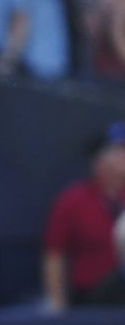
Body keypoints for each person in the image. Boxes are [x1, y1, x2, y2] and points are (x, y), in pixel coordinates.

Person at [43, 121, 125, 310]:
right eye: (119, 151)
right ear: (99, 159)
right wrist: (57, 302)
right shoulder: (73, 200)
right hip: (90, 300)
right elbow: (54, 254)